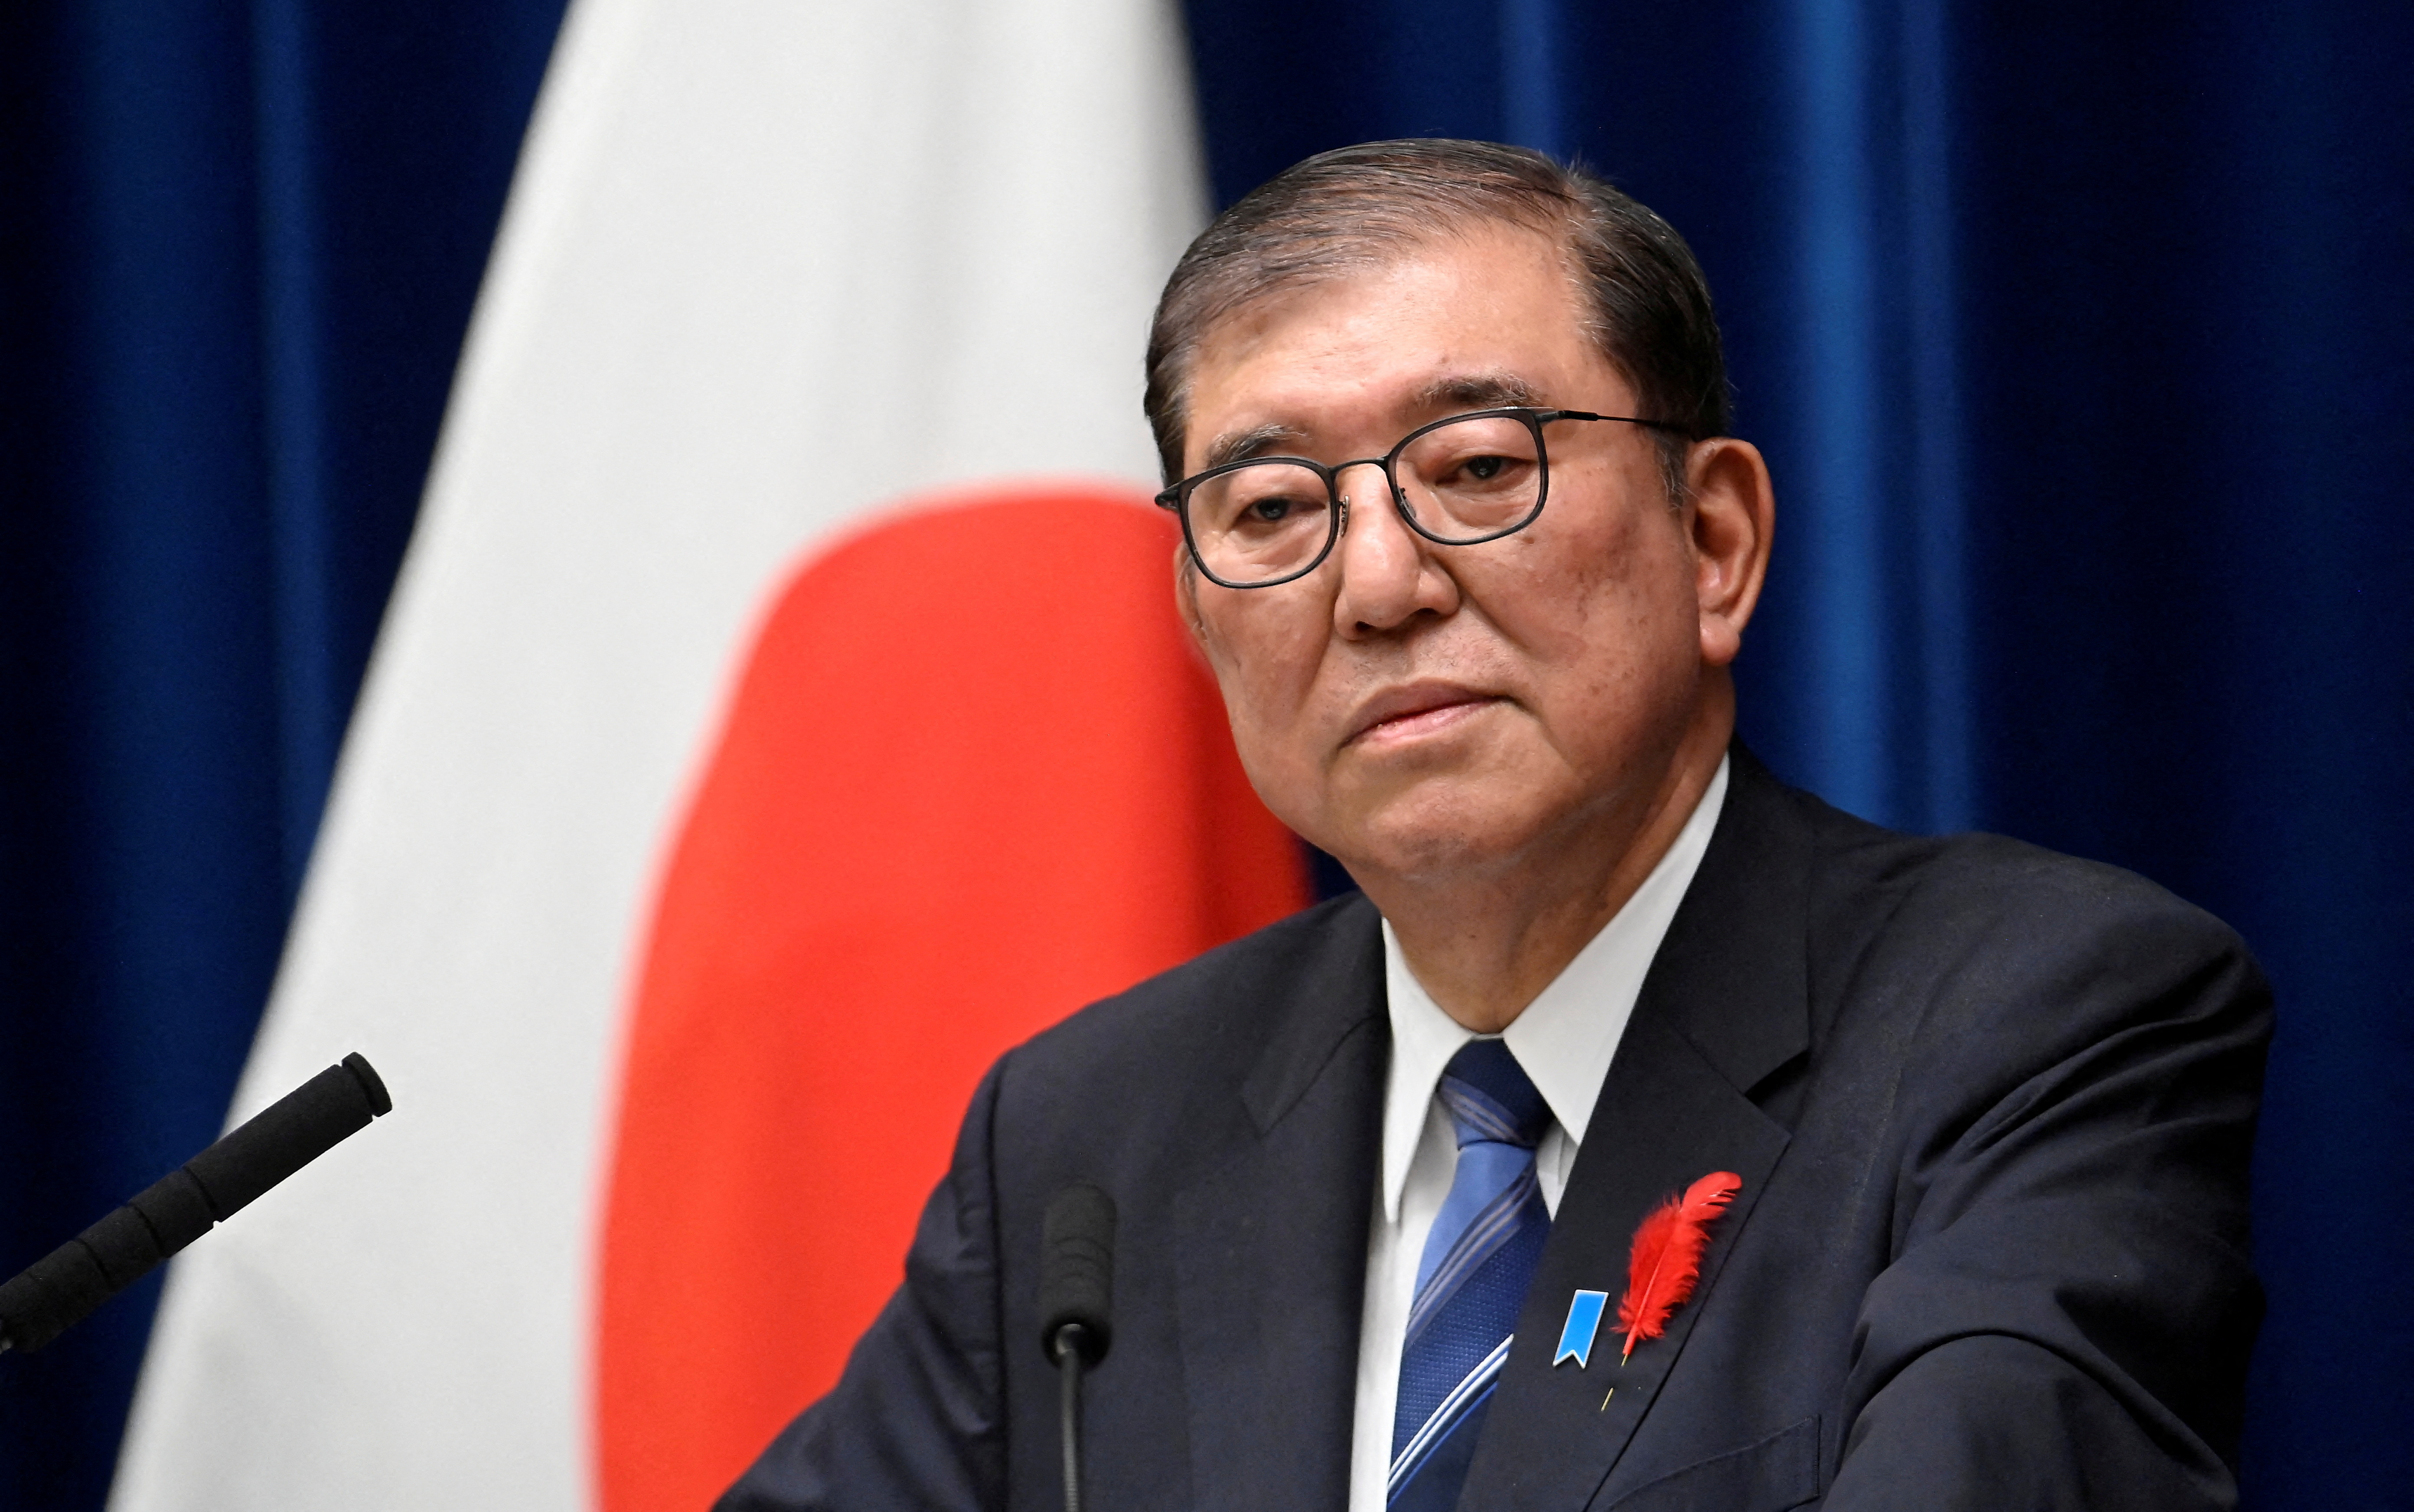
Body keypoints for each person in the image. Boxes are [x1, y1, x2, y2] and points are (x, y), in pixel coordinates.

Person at [721, 140, 2268, 1512]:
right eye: (1272, 510)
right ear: (1200, 624)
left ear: (1713, 541)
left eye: (1475, 470)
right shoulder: (1091, 1137)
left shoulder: (2037, 1022)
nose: (1378, 586)